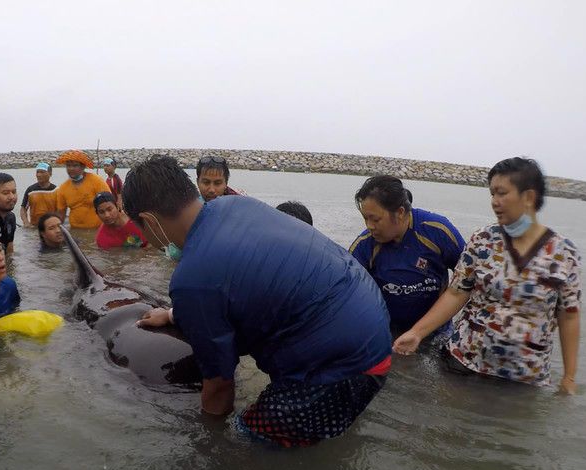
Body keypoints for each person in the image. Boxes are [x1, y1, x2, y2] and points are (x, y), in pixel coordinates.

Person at [128, 155, 392, 447]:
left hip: (349, 366)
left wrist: (208, 441)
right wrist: (174, 315)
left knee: (249, 438)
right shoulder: (236, 205)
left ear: (149, 221)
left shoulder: (191, 278)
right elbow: (248, 290)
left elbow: (219, 385)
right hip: (374, 325)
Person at [393, 158, 581, 394]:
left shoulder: (564, 253)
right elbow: (456, 293)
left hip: (523, 378)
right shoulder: (483, 240)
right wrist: (417, 333)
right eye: (492, 194)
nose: (494, 201)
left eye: (502, 193)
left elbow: (569, 316)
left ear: (529, 197)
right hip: (463, 363)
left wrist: (569, 377)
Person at [349, 175, 466, 333]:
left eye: (375, 220)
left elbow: (469, 279)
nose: (370, 226)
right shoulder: (364, 245)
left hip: (435, 330)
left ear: (400, 212)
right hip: (387, 329)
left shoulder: (438, 231)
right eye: (365, 219)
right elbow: (345, 292)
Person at [54, 149, 111, 228]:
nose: (71, 169)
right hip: (75, 230)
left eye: (75, 165)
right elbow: (61, 214)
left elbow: (109, 204)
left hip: (97, 229)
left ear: (83, 167)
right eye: (68, 166)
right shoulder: (63, 188)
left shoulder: (96, 181)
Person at [20, 162, 57, 227]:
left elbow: (61, 211)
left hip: (51, 227)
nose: (38, 175)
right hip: (34, 226)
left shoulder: (56, 190)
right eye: (37, 172)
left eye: (42, 172)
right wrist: (26, 222)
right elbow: (23, 208)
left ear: (50, 173)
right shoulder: (31, 190)